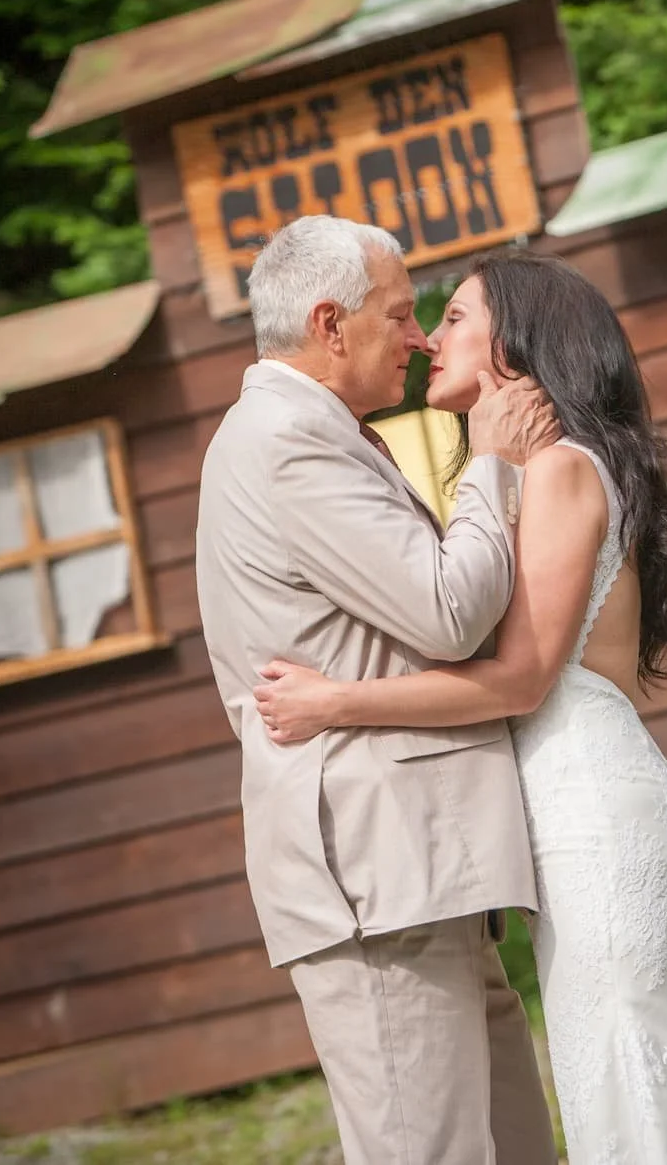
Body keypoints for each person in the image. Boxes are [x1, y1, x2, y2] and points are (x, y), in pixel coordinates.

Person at [254, 253, 667, 1165]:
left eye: (453, 317)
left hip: (602, 834)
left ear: (516, 344)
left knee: (636, 1104)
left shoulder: (562, 471)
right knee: (635, 1096)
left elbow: (524, 677)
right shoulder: (538, 476)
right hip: (584, 824)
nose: (427, 339)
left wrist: (338, 702)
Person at [194, 215, 561, 1165]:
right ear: (330, 323)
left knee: (514, 1145)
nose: (419, 337)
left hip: (412, 870)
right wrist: (494, 460)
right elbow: (448, 611)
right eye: (400, 315)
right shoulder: (287, 443)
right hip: (376, 873)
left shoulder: (310, 432)